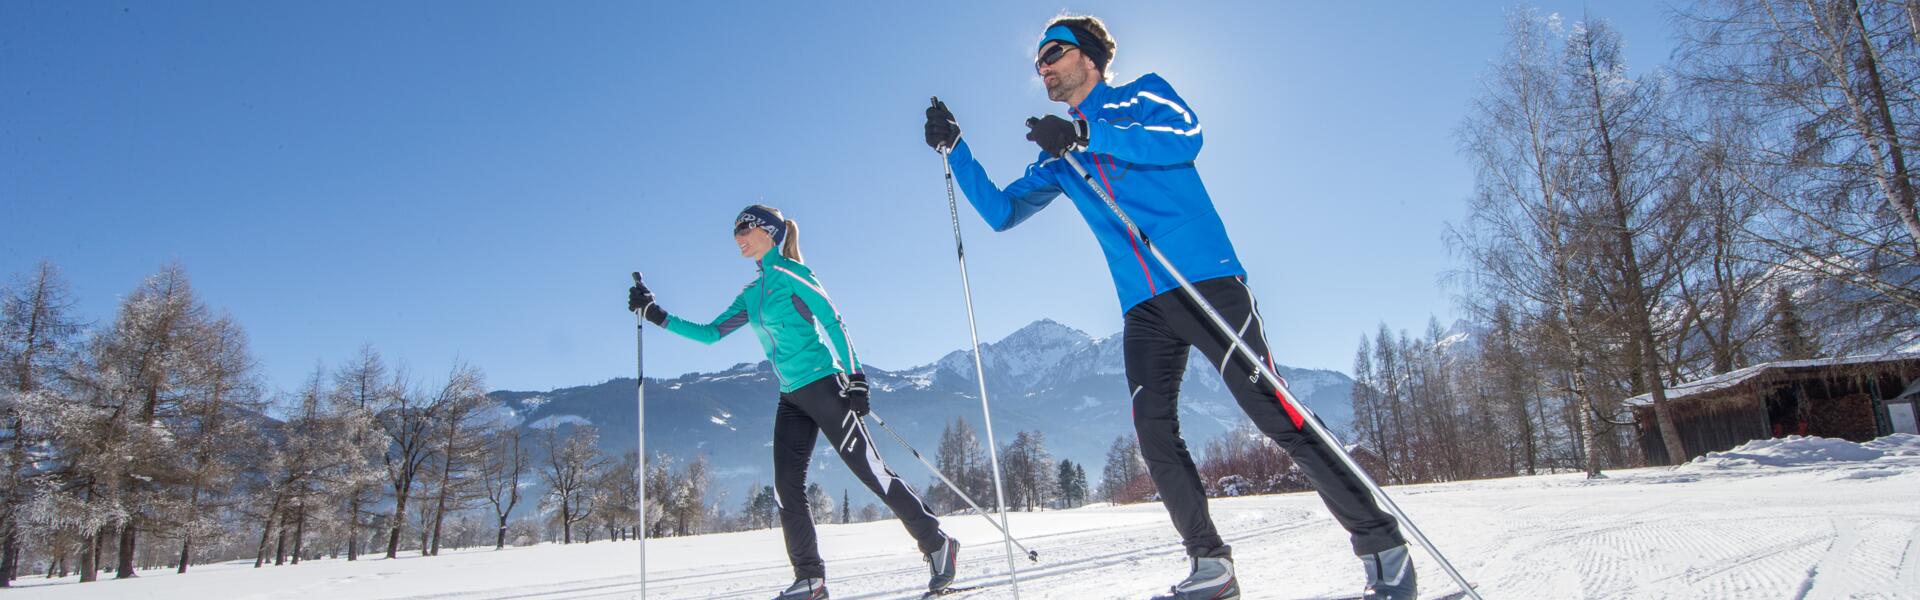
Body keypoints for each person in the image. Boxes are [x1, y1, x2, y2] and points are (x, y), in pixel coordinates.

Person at [922, 15, 1418, 600]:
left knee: (1273, 413)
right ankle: (1212, 566)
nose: (1044, 68)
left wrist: (1089, 137)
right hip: (1143, 305)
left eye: (1053, 53)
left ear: (1090, 56)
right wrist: (956, 149)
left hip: (1204, 277)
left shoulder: (1141, 94)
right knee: (1153, 431)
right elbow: (1003, 212)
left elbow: (1187, 138)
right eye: (1037, 63)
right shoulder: (1059, 156)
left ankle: (1384, 548)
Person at [628, 205, 961, 600]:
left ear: (767, 231)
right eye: (734, 230)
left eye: (743, 228)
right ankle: (810, 578)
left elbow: (833, 321)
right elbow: (711, 334)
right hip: (791, 399)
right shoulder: (752, 294)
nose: (736, 236)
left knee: (872, 473)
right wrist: (656, 314)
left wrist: (855, 378)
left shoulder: (793, 274)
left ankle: (938, 543)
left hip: (826, 386)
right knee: (786, 487)